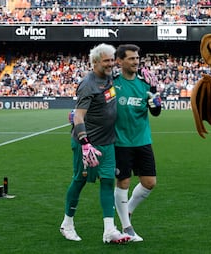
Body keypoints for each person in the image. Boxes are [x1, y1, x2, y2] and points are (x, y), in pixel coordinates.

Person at [59, 43, 130, 244]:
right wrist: (85, 143)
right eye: (107, 60)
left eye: (112, 60)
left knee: (108, 181)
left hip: (108, 143)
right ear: (95, 62)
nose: (111, 64)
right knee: (79, 181)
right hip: (88, 145)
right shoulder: (88, 84)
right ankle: (67, 224)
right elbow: (79, 117)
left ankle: (109, 230)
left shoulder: (109, 78)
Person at [113, 44, 162, 242]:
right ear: (120, 61)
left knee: (149, 183)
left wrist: (155, 103)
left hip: (142, 140)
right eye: (131, 58)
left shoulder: (146, 84)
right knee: (123, 183)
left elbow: (156, 111)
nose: (136, 61)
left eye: (137, 58)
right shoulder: (112, 83)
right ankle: (126, 227)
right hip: (120, 142)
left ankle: (128, 211)